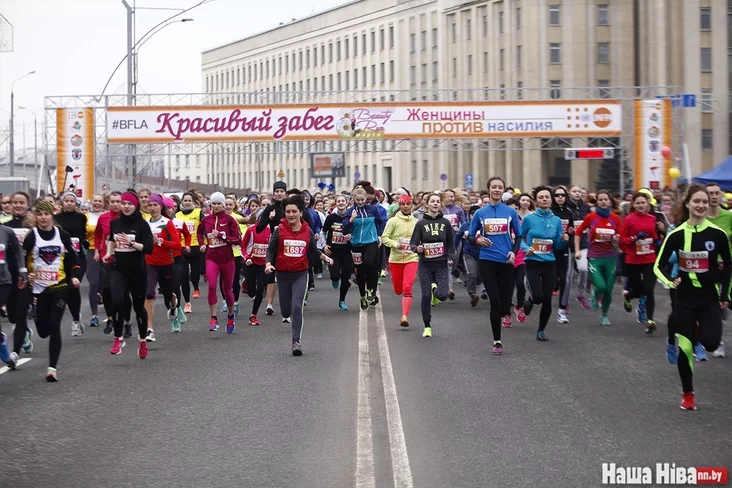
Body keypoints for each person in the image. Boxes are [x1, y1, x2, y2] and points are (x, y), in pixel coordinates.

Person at [654, 184, 731, 410]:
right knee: (686, 348)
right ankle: (688, 394)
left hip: (709, 298)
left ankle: (697, 333)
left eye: (704, 202)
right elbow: (658, 265)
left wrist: (725, 293)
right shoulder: (677, 234)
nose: (701, 205)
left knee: (712, 343)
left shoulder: (717, 235)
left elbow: (728, 266)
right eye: (697, 201)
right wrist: (671, 281)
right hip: (684, 298)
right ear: (687, 204)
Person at [19, 200, 82, 381]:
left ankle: (52, 368)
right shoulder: (32, 237)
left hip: (59, 286)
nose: (43, 218)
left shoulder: (61, 235)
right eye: (39, 214)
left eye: (46, 214)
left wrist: (74, 275)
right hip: (38, 289)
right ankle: (38, 330)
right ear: (36, 217)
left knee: (55, 326)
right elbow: (21, 259)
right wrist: (27, 274)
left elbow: (74, 257)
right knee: (43, 331)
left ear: (51, 216)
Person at [265, 194, 333, 356]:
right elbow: (271, 250)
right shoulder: (279, 230)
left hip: (300, 274)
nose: (291, 215)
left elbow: (313, 250)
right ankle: (286, 314)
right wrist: (268, 263)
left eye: (294, 211)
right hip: (282, 274)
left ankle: (296, 342)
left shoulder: (307, 231)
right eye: (288, 212)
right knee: (285, 311)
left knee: (297, 306)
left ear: (301, 212)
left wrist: (324, 257)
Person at [468, 177, 521, 355]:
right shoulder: (480, 213)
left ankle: (505, 310)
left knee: (505, 303)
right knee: (495, 301)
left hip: (506, 260)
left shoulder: (510, 212)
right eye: (494, 187)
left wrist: (514, 252)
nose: (497, 190)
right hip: (487, 259)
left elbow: (519, 235)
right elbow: (470, 235)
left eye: (500, 187)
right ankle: (497, 341)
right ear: (489, 189)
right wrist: (477, 240)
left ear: (503, 190)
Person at [104, 192, 154, 359]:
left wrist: (131, 243)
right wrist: (109, 252)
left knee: (138, 307)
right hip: (119, 269)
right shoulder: (115, 223)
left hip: (137, 270)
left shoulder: (142, 224)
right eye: (123, 203)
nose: (126, 206)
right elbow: (112, 239)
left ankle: (142, 340)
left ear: (135, 206)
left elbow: (149, 248)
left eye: (129, 204)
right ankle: (118, 338)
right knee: (117, 300)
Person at [518, 187, 569, 341]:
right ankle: (530, 300)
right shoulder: (529, 219)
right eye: (541, 197)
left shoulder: (556, 220)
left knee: (547, 299)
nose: (544, 199)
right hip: (533, 262)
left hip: (550, 263)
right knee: (538, 297)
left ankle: (541, 330)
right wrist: (526, 248)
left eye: (547, 197)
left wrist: (563, 240)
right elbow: (520, 237)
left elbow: (558, 245)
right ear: (536, 201)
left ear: (551, 200)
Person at [409, 192, 455, 337]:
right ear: (427, 204)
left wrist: (451, 257)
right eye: (432, 201)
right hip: (425, 264)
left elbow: (451, 243)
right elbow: (413, 243)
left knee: (443, 295)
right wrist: (417, 248)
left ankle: (437, 293)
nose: (435, 204)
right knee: (425, 295)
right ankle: (427, 325)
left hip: (441, 263)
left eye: (437, 201)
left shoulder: (445, 223)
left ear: (440, 204)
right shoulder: (420, 223)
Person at [574, 190, 622, 326]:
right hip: (595, 257)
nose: (603, 202)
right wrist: (577, 250)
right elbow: (578, 233)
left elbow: (620, 237)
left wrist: (617, 241)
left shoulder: (615, 218)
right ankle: (595, 293)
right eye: (600, 200)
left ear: (610, 201)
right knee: (601, 285)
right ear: (597, 202)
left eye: (605, 199)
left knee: (608, 290)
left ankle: (604, 315)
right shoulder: (591, 217)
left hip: (610, 257)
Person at [197, 192, 242, 334]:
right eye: (214, 203)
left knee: (227, 290)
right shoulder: (206, 220)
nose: (216, 206)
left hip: (227, 260)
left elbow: (238, 239)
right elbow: (199, 232)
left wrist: (222, 235)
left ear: (223, 205)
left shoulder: (230, 220)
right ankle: (213, 318)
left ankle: (230, 315)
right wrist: (202, 244)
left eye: (218, 203)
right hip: (212, 258)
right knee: (211, 285)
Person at [619, 191, 660, 333]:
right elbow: (622, 240)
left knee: (649, 289)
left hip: (649, 258)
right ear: (633, 205)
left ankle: (650, 320)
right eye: (638, 203)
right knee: (638, 290)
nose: (641, 205)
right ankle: (628, 296)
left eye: (643, 203)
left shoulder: (652, 218)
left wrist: (657, 241)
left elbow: (653, 235)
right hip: (633, 259)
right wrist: (634, 238)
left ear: (648, 204)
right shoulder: (629, 219)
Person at [144, 194, 182, 337]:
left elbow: (177, 244)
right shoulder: (145, 224)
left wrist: (160, 242)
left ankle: (173, 307)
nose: (152, 208)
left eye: (155, 205)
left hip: (166, 264)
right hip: (149, 264)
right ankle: (149, 330)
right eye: (150, 205)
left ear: (161, 207)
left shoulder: (167, 223)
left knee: (168, 295)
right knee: (149, 294)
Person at [96, 191, 132, 337]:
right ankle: (110, 318)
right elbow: (98, 234)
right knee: (106, 289)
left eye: (119, 201)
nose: (116, 204)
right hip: (107, 258)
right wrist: (97, 250)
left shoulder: (128, 218)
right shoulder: (103, 218)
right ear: (108, 203)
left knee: (124, 293)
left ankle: (127, 322)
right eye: (113, 202)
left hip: (125, 259)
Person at [342, 188, 385, 310]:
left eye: (362, 200)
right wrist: (351, 220)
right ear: (354, 199)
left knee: (370, 264)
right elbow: (344, 230)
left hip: (371, 242)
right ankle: (362, 296)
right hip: (356, 244)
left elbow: (380, 222)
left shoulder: (372, 209)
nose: (360, 202)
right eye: (358, 200)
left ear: (366, 199)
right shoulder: (350, 211)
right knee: (360, 270)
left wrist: (379, 235)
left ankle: (370, 290)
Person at [381, 194, 419, 327]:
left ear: (412, 205)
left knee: (407, 287)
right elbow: (384, 238)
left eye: (408, 204)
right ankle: (396, 280)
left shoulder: (417, 222)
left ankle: (404, 316)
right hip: (396, 259)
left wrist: (420, 246)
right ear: (399, 206)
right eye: (403, 204)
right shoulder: (393, 221)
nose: (406, 207)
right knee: (398, 290)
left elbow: (421, 238)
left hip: (411, 258)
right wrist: (396, 244)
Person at [54, 191, 88, 337]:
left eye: (72, 201)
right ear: (62, 203)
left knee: (74, 285)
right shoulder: (56, 218)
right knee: (65, 288)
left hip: (78, 257)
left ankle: (75, 321)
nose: (69, 203)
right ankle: (76, 316)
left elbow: (83, 234)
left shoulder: (81, 217)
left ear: (76, 203)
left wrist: (84, 242)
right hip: (61, 258)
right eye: (66, 201)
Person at [257, 181, 288, 316]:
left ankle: (288, 302)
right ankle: (269, 304)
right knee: (271, 274)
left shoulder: (289, 207)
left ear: (285, 193)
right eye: (277, 191)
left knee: (286, 275)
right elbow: (259, 228)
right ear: (273, 193)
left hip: (288, 245)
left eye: (282, 191)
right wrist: (269, 218)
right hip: (274, 245)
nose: (279, 194)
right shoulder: (269, 209)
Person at [322, 194, 353, 311]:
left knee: (345, 277)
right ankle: (334, 279)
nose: (341, 203)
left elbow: (356, 231)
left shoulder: (351, 217)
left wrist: (351, 237)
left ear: (347, 203)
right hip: (333, 251)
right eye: (338, 201)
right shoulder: (331, 218)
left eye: (343, 201)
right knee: (335, 275)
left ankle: (342, 301)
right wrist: (324, 245)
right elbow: (323, 232)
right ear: (336, 203)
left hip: (347, 251)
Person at [0, 226, 25, 367]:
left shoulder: (6, 231)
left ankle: (1, 343)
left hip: (3, 282)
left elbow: (18, 249)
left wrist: (22, 269)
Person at [164, 197, 190, 330]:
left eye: (172, 207)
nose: (169, 210)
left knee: (176, 286)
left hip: (177, 258)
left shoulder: (179, 222)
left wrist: (187, 245)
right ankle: (175, 311)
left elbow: (188, 235)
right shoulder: (159, 223)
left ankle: (177, 312)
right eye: (167, 207)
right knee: (167, 291)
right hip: (163, 260)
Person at [242, 212, 272, 325]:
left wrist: (270, 262)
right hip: (251, 263)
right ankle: (246, 283)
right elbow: (242, 246)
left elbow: (271, 248)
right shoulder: (251, 230)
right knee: (251, 292)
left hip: (263, 264)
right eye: (261, 217)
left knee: (260, 289)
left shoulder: (269, 230)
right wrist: (247, 257)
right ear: (258, 218)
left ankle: (253, 315)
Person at [176, 192, 205, 310]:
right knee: (184, 275)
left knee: (195, 271)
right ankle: (187, 302)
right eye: (185, 201)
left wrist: (204, 243)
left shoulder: (198, 213)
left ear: (193, 202)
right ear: (182, 202)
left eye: (189, 201)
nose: (187, 203)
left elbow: (204, 229)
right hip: (182, 247)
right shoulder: (177, 215)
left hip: (195, 246)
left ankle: (196, 288)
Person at [550, 186, 573, 324]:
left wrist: (570, 233)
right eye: (557, 195)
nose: (560, 197)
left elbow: (571, 231)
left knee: (566, 280)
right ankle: (533, 298)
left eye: (563, 195)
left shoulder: (569, 213)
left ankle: (562, 311)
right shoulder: (549, 212)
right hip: (549, 250)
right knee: (550, 280)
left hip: (564, 250)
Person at [566, 185, 592, 309]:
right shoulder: (565, 207)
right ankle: (564, 301)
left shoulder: (586, 207)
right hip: (567, 245)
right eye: (574, 191)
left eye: (579, 191)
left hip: (582, 243)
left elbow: (591, 223)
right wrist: (567, 230)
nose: (577, 193)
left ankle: (580, 294)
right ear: (569, 193)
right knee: (568, 276)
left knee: (583, 269)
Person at [221, 196, 247, 317]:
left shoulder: (239, 218)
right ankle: (225, 301)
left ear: (234, 206)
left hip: (235, 253)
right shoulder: (217, 218)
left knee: (235, 279)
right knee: (223, 279)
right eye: (225, 204)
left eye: (230, 204)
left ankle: (235, 302)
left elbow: (243, 235)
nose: (228, 207)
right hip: (221, 252)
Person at [85, 194, 106, 327]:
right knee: (93, 283)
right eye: (95, 201)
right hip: (92, 251)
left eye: (100, 201)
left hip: (106, 251)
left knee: (105, 284)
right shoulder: (86, 217)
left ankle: (110, 313)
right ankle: (94, 315)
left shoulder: (107, 216)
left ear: (103, 203)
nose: (97, 203)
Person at [456, 205, 482, 308]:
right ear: (469, 215)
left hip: (483, 254)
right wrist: (454, 249)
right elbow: (457, 237)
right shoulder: (465, 226)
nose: (474, 216)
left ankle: (484, 290)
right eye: (472, 214)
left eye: (476, 214)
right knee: (472, 274)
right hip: (469, 254)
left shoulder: (484, 226)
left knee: (480, 277)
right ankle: (473, 294)